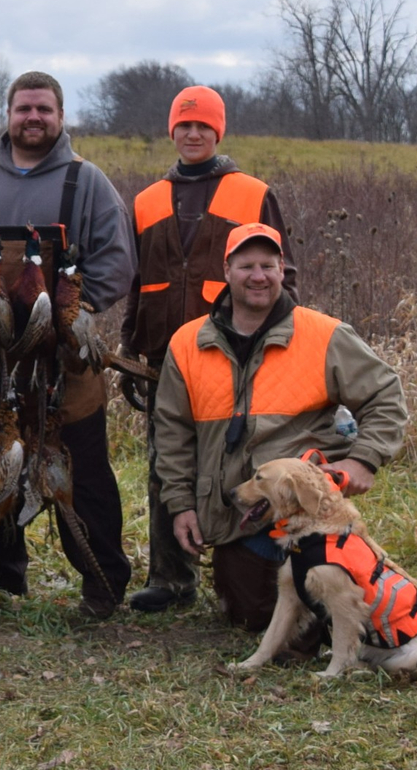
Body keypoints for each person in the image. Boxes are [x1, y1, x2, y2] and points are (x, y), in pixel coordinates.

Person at [0, 71, 135, 619]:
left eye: (44, 109)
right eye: (24, 108)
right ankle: (0, 580)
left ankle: (103, 585)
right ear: (8, 115)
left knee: (82, 472)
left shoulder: (86, 182)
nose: (33, 118)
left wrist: (71, 316)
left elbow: (117, 262)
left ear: (61, 116)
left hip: (63, 362)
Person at [151, 224, 404, 630]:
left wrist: (364, 460)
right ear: (226, 271)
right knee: (249, 613)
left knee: (315, 621)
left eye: (268, 266)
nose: (259, 276)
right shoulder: (186, 343)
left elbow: (384, 394)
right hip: (237, 514)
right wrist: (181, 505)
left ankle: (354, 607)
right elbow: (172, 433)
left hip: (308, 516)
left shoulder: (324, 334)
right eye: (246, 266)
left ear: (282, 270)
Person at [122, 86, 298, 615]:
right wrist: (130, 349)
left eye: (203, 126)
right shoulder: (147, 200)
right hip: (164, 358)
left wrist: (278, 343)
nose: (193, 134)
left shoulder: (252, 193)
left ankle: (240, 574)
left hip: (233, 352)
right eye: (185, 125)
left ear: (218, 132)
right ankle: (171, 578)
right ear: (172, 131)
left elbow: (282, 273)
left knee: (234, 465)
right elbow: (137, 282)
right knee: (166, 463)